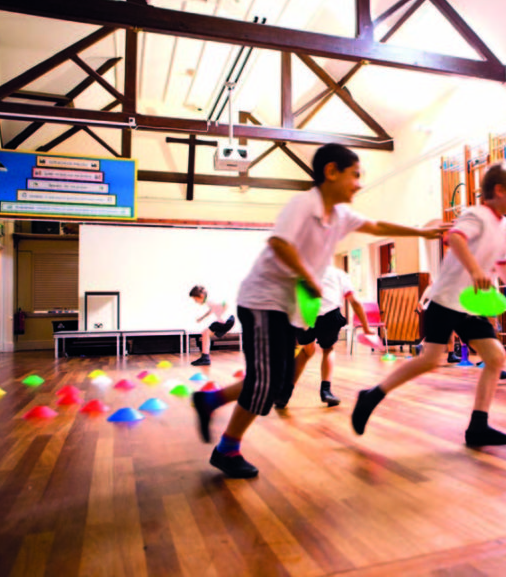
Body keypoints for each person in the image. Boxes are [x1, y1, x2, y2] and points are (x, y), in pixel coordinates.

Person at [191, 143, 446, 478]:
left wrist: (422, 232)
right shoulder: (304, 204)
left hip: (284, 308)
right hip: (262, 300)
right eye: (355, 175)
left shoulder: (341, 215)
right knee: (266, 383)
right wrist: (306, 276)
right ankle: (228, 448)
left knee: (275, 381)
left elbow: (378, 227)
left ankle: (209, 403)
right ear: (331, 171)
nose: (358, 183)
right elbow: (279, 244)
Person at [351, 162, 506, 447]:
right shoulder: (476, 215)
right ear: (499, 190)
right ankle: (372, 394)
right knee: (430, 360)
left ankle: (478, 427)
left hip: (471, 305)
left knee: (495, 357)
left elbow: (500, 261)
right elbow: (455, 239)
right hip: (447, 299)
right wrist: (474, 271)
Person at [282, 266, 372, 408]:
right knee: (328, 349)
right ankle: (326, 391)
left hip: (305, 316)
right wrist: (366, 328)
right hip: (330, 316)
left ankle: (285, 393)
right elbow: (355, 302)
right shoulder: (338, 273)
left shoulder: (299, 271)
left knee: (306, 351)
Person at [189, 285, 235, 367]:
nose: (196, 301)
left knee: (205, 334)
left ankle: (205, 358)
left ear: (201, 296)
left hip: (227, 321)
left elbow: (225, 303)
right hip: (229, 320)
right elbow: (211, 310)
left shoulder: (211, 300)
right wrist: (201, 318)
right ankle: (205, 357)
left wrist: (223, 317)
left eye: (196, 299)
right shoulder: (210, 301)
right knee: (205, 334)